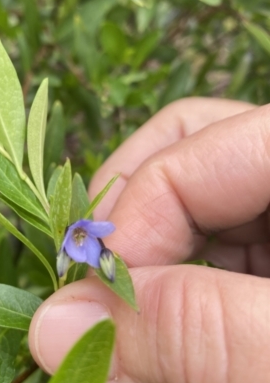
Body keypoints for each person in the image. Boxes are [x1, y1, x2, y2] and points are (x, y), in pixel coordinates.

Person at [29, 98, 270, 383]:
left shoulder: (90, 239)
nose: (80, 237)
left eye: (80, 234)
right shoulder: (84, 237)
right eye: (77, 235)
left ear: (85, 231)